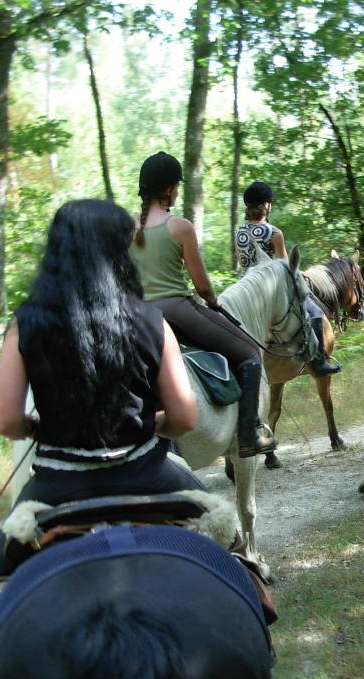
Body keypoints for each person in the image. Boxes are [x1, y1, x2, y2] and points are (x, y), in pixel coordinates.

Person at [0, 199, 207, 578]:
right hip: (147, 475)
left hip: (58, 485)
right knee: (227, 542)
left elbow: (6, 422)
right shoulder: (153, 322)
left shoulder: (25, 324)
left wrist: (35, 428)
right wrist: (151, 425)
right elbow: (185, 418)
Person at [130, 152, 276, 458]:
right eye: (177, 187)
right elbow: (202, 287)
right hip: (176, 311)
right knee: (249, 351)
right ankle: (248, 434)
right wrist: (214, 302)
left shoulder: (126, 229)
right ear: (169, 190)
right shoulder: (179, 227)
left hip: (137, 316)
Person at [236, 181, 342, 378]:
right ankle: (319, 363)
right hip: (268, 289)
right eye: (270, 201)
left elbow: (242, 263)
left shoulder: (239, 232)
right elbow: (286, 266)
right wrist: (300, 273)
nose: (271, 204)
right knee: (315, 311)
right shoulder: (274, 233)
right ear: (264, 205)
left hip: (244, 289)